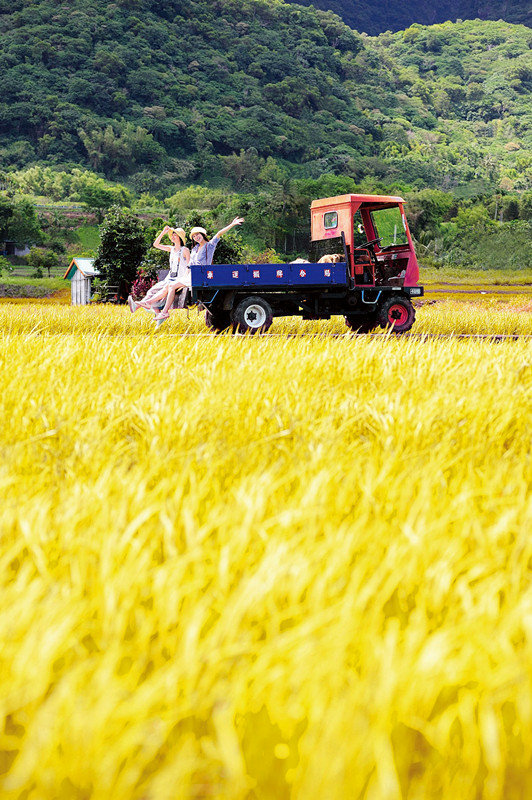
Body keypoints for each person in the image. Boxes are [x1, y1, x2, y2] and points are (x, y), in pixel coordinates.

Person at [129, 226, 190, 324]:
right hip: (169, 278)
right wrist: (163, 232)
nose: (173, 236)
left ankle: (143, 304)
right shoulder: (171, 249)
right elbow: (156, 244)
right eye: (172, 235)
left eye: (175, 234)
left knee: (164, 289)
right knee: (152, 291)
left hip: (179, 279)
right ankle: (158, 315)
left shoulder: (185, 250)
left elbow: (189, 266)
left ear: (180, 237)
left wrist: (184, 280)